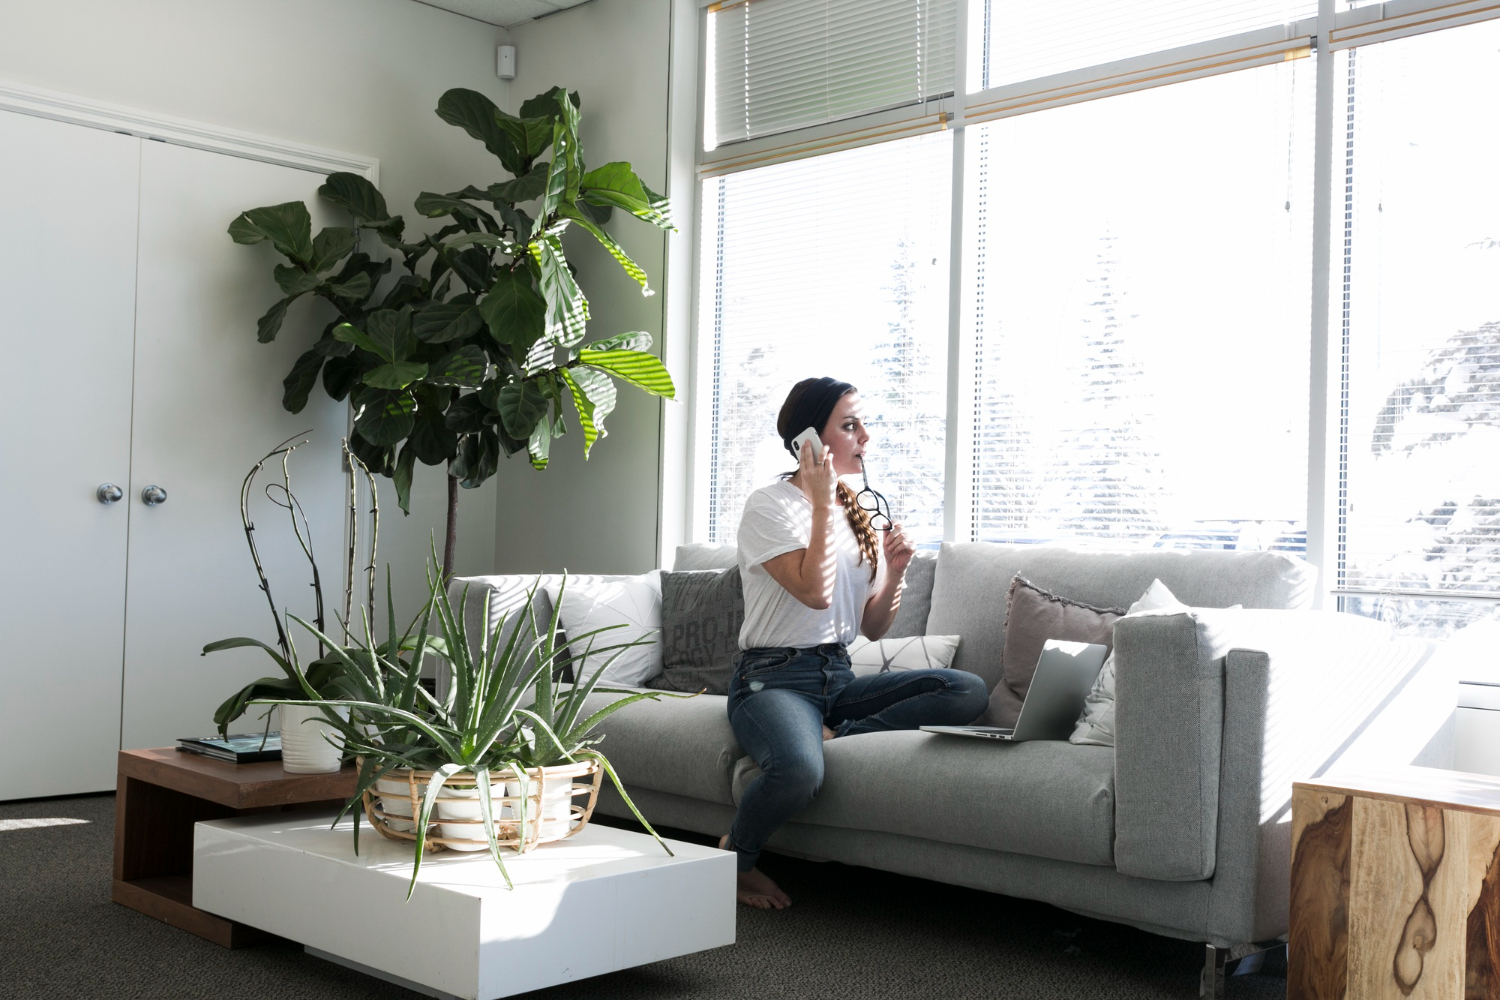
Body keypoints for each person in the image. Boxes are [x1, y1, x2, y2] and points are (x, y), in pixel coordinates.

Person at [717, 377, 989, 909]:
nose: (865, 435)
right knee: (799, 771)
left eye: (862, 423)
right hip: (771, 680)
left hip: (836, 677)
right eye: (849, 425)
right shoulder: (769, 507)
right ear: (808, 442)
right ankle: (736, 861)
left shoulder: (854, 511)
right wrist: (821, 503)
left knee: (967, 690)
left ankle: (840, 731)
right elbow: (815, 594)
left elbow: (872, 628)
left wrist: (895, 573)